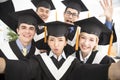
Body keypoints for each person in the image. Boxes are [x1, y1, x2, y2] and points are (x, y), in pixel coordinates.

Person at [0, 21, 120, 79]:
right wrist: (4, 65)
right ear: (47, 41)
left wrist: (113, 70)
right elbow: (25, 68)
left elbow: (86, 71)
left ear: (66, 42)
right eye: (52, 40)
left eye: (60, 40)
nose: (56, 44)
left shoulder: (73, 62)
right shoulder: (39, 60)